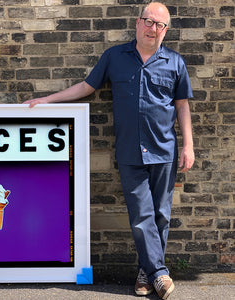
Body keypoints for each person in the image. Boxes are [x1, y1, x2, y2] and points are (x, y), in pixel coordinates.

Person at [24, 2, 194, 299]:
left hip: (165, 149)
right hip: (130, 151)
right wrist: (49, 100)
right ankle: (160, 274)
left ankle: (146, 274)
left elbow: (182, 106)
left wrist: (189, 145)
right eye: (148, 21)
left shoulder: (175, 63)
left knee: (161, 216)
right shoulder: (114, 57)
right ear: (138, 22)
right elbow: (86, 87)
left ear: (166, 31)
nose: (153, 29)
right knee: (142, 216)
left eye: (160, 25)